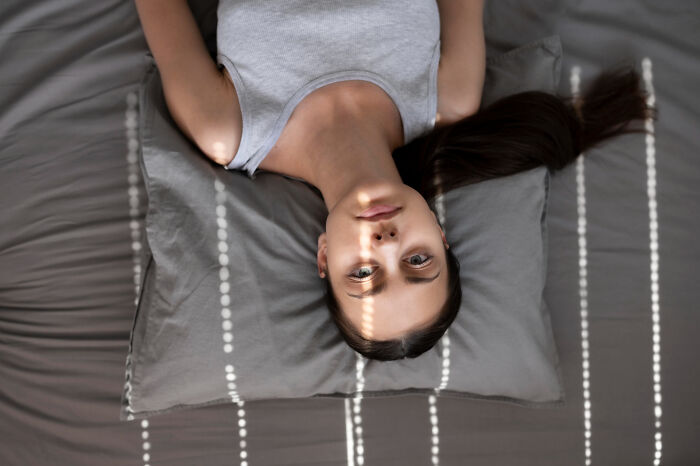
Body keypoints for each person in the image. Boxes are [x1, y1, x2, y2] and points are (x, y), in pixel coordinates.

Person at [135, 0, 653, 361]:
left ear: (322, 258)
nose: (385, 245)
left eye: (362, 275)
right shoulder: (448, 96)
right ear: (440, 233)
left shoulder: (228, 129)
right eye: (418, 261)